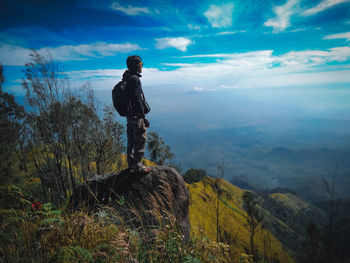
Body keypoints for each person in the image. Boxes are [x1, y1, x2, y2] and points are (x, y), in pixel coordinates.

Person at [123, 55, 151, 173]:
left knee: (131, 140)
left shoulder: (127, 78)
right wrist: (143, 117)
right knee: (140, 138)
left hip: (130, 116)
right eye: (141, 64)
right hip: (136, 116)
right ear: (136, 66)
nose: (142, 66)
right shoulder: (135, 79)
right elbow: (137, 99)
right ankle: (138, 166)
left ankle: (131, 165)